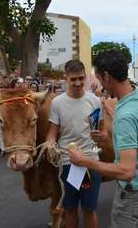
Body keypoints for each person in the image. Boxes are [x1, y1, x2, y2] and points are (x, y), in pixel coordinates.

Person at [69, 50, 138, 228]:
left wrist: (84, 160)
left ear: (106, 76)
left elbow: (126, 171)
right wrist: (113, 111)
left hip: (130, 191)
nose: (99, 83)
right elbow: (135, 125)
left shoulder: (126, 117)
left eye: (99, 77)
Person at [46, 60, 104, 228]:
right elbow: (53, 131)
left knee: (89, 209)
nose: (78, 83)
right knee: (70, 208)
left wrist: (102, 135)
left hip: (91, 161)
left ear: (85, 77)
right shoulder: (57, 102)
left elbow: (102, 129)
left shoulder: (95, 101)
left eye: (81, 78)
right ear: (66, 78)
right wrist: (50, 143)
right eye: (73, 79)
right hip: (68, 164)